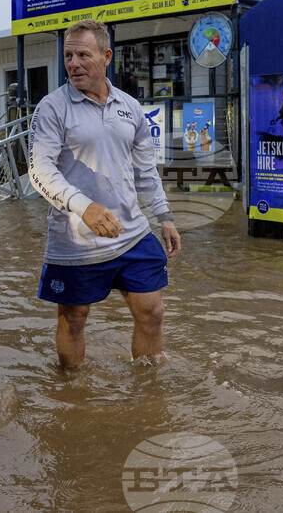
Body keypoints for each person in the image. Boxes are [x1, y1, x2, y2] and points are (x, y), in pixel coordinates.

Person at [29, 19, 181, 369]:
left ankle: (148, 388)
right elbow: (39, 170)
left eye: (83, 55)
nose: (74, 64)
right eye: (68, 56)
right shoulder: (52, 107)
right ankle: (70, 389)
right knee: (74, 318)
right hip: (76, 240)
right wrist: (84, 207)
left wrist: (164, 216)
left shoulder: (130, 107)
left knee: (152, 311)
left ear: (106, 57)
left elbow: (145, 170)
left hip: (132, 232)